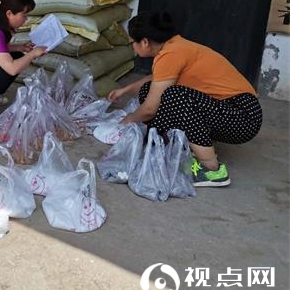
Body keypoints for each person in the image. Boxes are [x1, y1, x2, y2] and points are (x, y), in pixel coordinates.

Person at [108, 11, 262, 187]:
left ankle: (212, 169)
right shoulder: (174, 47)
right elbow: (157, 79)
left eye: (132, 43)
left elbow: (150, 108)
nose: (133, 48)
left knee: (176, 97)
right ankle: (168, 144)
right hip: (228, 110)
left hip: (243, 118)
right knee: (149, 91)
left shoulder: (171, 54)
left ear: (144, 41)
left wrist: (126, 122)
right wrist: (125, 90)